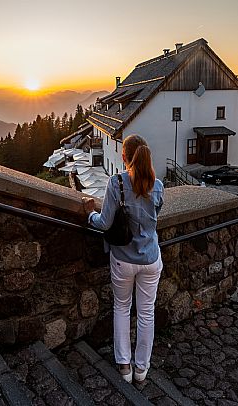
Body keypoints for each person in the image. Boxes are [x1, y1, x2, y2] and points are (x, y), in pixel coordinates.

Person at [82, 134, 164, 383]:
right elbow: (154, 217)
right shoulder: (157, 186)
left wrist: (89, 215)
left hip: (123, 260)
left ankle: (124, 367)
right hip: (150, 259)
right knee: (147, 313)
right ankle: (142, 369)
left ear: (124, 156)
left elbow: (105, 223)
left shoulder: (115, 183)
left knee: (122, 307)